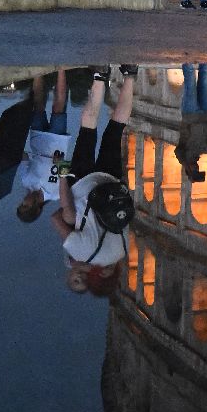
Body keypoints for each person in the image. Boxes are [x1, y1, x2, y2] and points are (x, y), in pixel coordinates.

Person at [51, 69, 136, 295]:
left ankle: (130, 75)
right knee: (88, 129)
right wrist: (62, 172)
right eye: (82, 281)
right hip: (83, 185)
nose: (79, 276)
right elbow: (62, 214)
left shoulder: (121, 252)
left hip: (111, 185)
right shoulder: (79, 253)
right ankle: (100, 77)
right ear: (93, 279)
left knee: (115, 129)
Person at [15, 71, 74, 223]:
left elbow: (24, 156)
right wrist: (60, 164)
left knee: (37, 106)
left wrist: (11, 152)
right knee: (58, 107)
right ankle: (62, 69)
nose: (24, 201)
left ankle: (38, 71)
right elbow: (69, 175)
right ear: (36, 208)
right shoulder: (57, 194)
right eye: (25, 205)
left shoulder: (26, 181)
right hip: (57, 142)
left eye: (21, 204)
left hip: (38, 139)